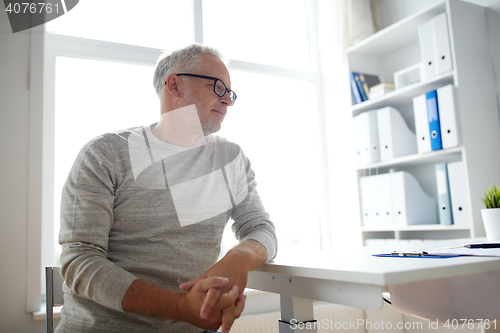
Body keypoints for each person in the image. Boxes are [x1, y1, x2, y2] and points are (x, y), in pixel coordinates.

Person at [56, 44, 277, 333]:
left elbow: (261, 228)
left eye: (230, 93)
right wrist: (180, 307)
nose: (228, 102)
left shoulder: (230, 159)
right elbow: (79, 260)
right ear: (174, 84)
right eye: (218, 87)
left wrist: (239, 257)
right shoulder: (105, 154)